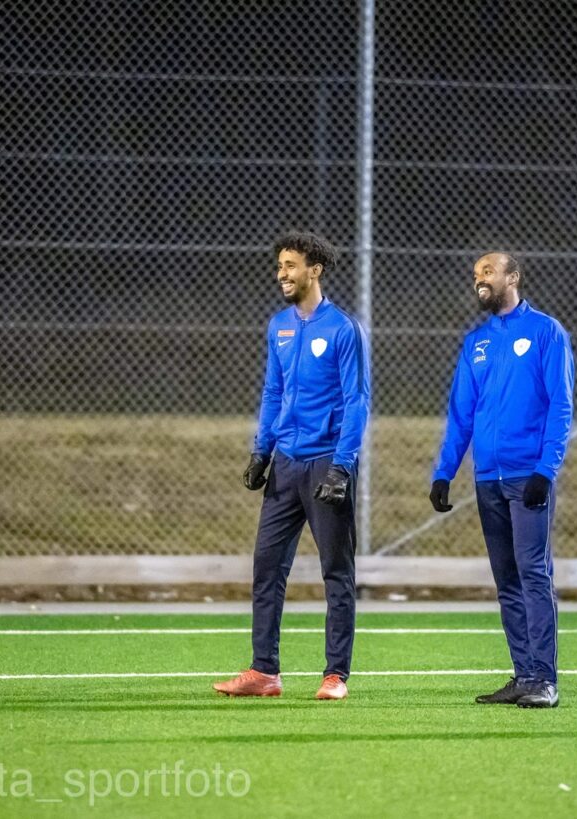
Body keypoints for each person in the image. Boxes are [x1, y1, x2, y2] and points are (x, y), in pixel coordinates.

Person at [213, 231, 370, 700]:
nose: (282, 274)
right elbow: (273, 392)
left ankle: (335, 675)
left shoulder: (343, 329)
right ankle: (264, 672)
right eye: (280, 266)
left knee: (336, 570)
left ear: (314, 270)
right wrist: (262, 450)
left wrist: (342, 466)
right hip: (285, 465)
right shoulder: (279, 325)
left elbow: (357, 401)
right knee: (267, 566)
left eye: (290, 265)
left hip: (327, 464)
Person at [430, 251, 574, 708]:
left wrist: (546, 470)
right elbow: (461, 415)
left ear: (513, 277)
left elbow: (560, 406)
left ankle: (545, 679)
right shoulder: (476, 342)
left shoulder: (546, 332)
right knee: (507, 579)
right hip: (487, 478)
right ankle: (523, 673)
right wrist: (444, 472)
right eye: (476, 275)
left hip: (526, 475)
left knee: (534, 574)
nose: (480, 280)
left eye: (488, 272)